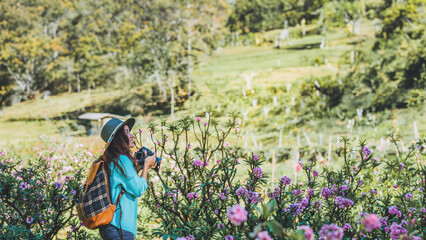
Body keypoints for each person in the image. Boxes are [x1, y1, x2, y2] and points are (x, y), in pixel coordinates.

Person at [98, 117, 157, 240]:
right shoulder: (122, 160)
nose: (132, 135)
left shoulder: (111, 159)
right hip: (120, 227)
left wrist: (137, 168)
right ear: (118, 138)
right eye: (126, 132)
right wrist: (146, 165)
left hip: (110, 226)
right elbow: (138, 189)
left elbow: (124, 185)